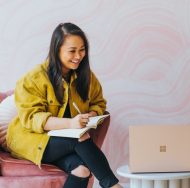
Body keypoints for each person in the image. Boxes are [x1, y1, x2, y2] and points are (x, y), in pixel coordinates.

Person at [7, 23, 122, 188]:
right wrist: (70, 124)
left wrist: (92, 114)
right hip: (31, 139)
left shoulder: (86, 76)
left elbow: (99, 103)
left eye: (82, 50)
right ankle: (112, 185)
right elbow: (32, 118)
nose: (78, 56)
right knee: (79, 136)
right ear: (57, 50)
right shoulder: (33, 78)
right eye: (72, 51)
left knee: (82, 170)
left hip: (65, 142)